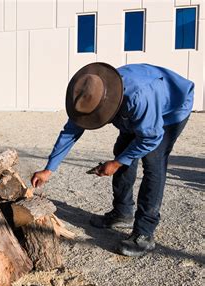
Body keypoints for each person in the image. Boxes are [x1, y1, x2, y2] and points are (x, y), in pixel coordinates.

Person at [31, 62, 194, 257]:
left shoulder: (138, 98)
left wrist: (117, 163)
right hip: (139, 108)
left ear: (108, 106)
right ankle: (122, 212)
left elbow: (150, 137)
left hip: (171, 110)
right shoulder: (90, 91)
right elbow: (70, 132)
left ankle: (144, 233)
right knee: (123, 150)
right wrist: (49, 169)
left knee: (153, 163)